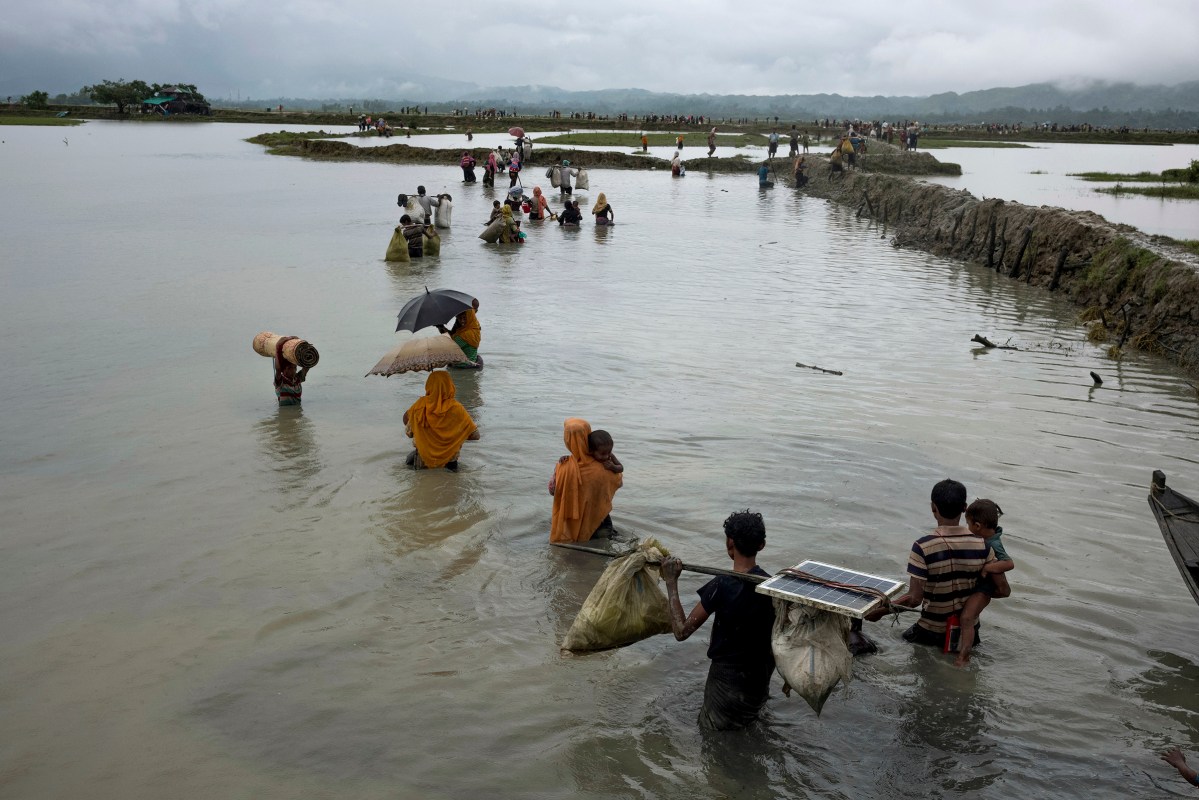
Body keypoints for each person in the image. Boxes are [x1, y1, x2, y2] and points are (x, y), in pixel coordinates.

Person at [661, 510, 776, 731]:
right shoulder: (774, 589)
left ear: (729, 543)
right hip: (759, 683)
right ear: (761, 545)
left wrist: (671, 582)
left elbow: (681, 631)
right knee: (751, 729)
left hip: (726, 685)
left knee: (713, 738)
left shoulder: (722, 586)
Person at [866, 479, 996, 650]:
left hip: (931, 633)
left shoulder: (923, 546)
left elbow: (913, 599)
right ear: (965, 508)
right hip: (969, 633)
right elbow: (997, 588)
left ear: (933, 507)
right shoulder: (984, 546)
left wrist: (881, 612)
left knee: (880, 647)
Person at [954, 499, 1013, 666]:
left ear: (978, 526)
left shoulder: (993, 543)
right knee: (967, 618)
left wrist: (989, 568)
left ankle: (964, 656)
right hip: (980, 588)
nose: (967, 528)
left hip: (984, 590)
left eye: (968, 523)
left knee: (966, 618)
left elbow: (1009, 563)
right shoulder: (985, 540)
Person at [548, 418, 623, 543]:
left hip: (574, 522)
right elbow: (619, 482)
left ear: (567, 439)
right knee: (604, 549)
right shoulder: (604, 465)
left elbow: (552, 490)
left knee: (578, 551)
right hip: (600, 519)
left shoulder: (562, 465)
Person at [402, 371, 479, 471]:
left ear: (428, 385)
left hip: (422, 461)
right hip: (450, 462)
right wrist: (455, 437)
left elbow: (409, 433)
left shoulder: (419, 406)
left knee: (422, 485)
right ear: (450, 385)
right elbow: (475, 436)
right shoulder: (457, 409)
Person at [438, 298, 483, 368]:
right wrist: (441, 327)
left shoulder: (465, 335)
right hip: (471, 363)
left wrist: (441, 328)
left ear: (469, 316)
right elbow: (452, 336)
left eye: (464, 318)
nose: (462, 321)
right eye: (460, 318)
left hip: (462, 368)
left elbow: (449, 345)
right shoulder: (474, 327)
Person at [272, 340, 310, 406]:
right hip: (284, 413)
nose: (293, 370)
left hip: (298, 412)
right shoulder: (281, 382)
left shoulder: (297, 379)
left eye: (294, 367)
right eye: (289, 368)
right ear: (283, 370)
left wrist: (305, 349)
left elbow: (307, 366)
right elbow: (278, 369)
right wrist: (277, 350)